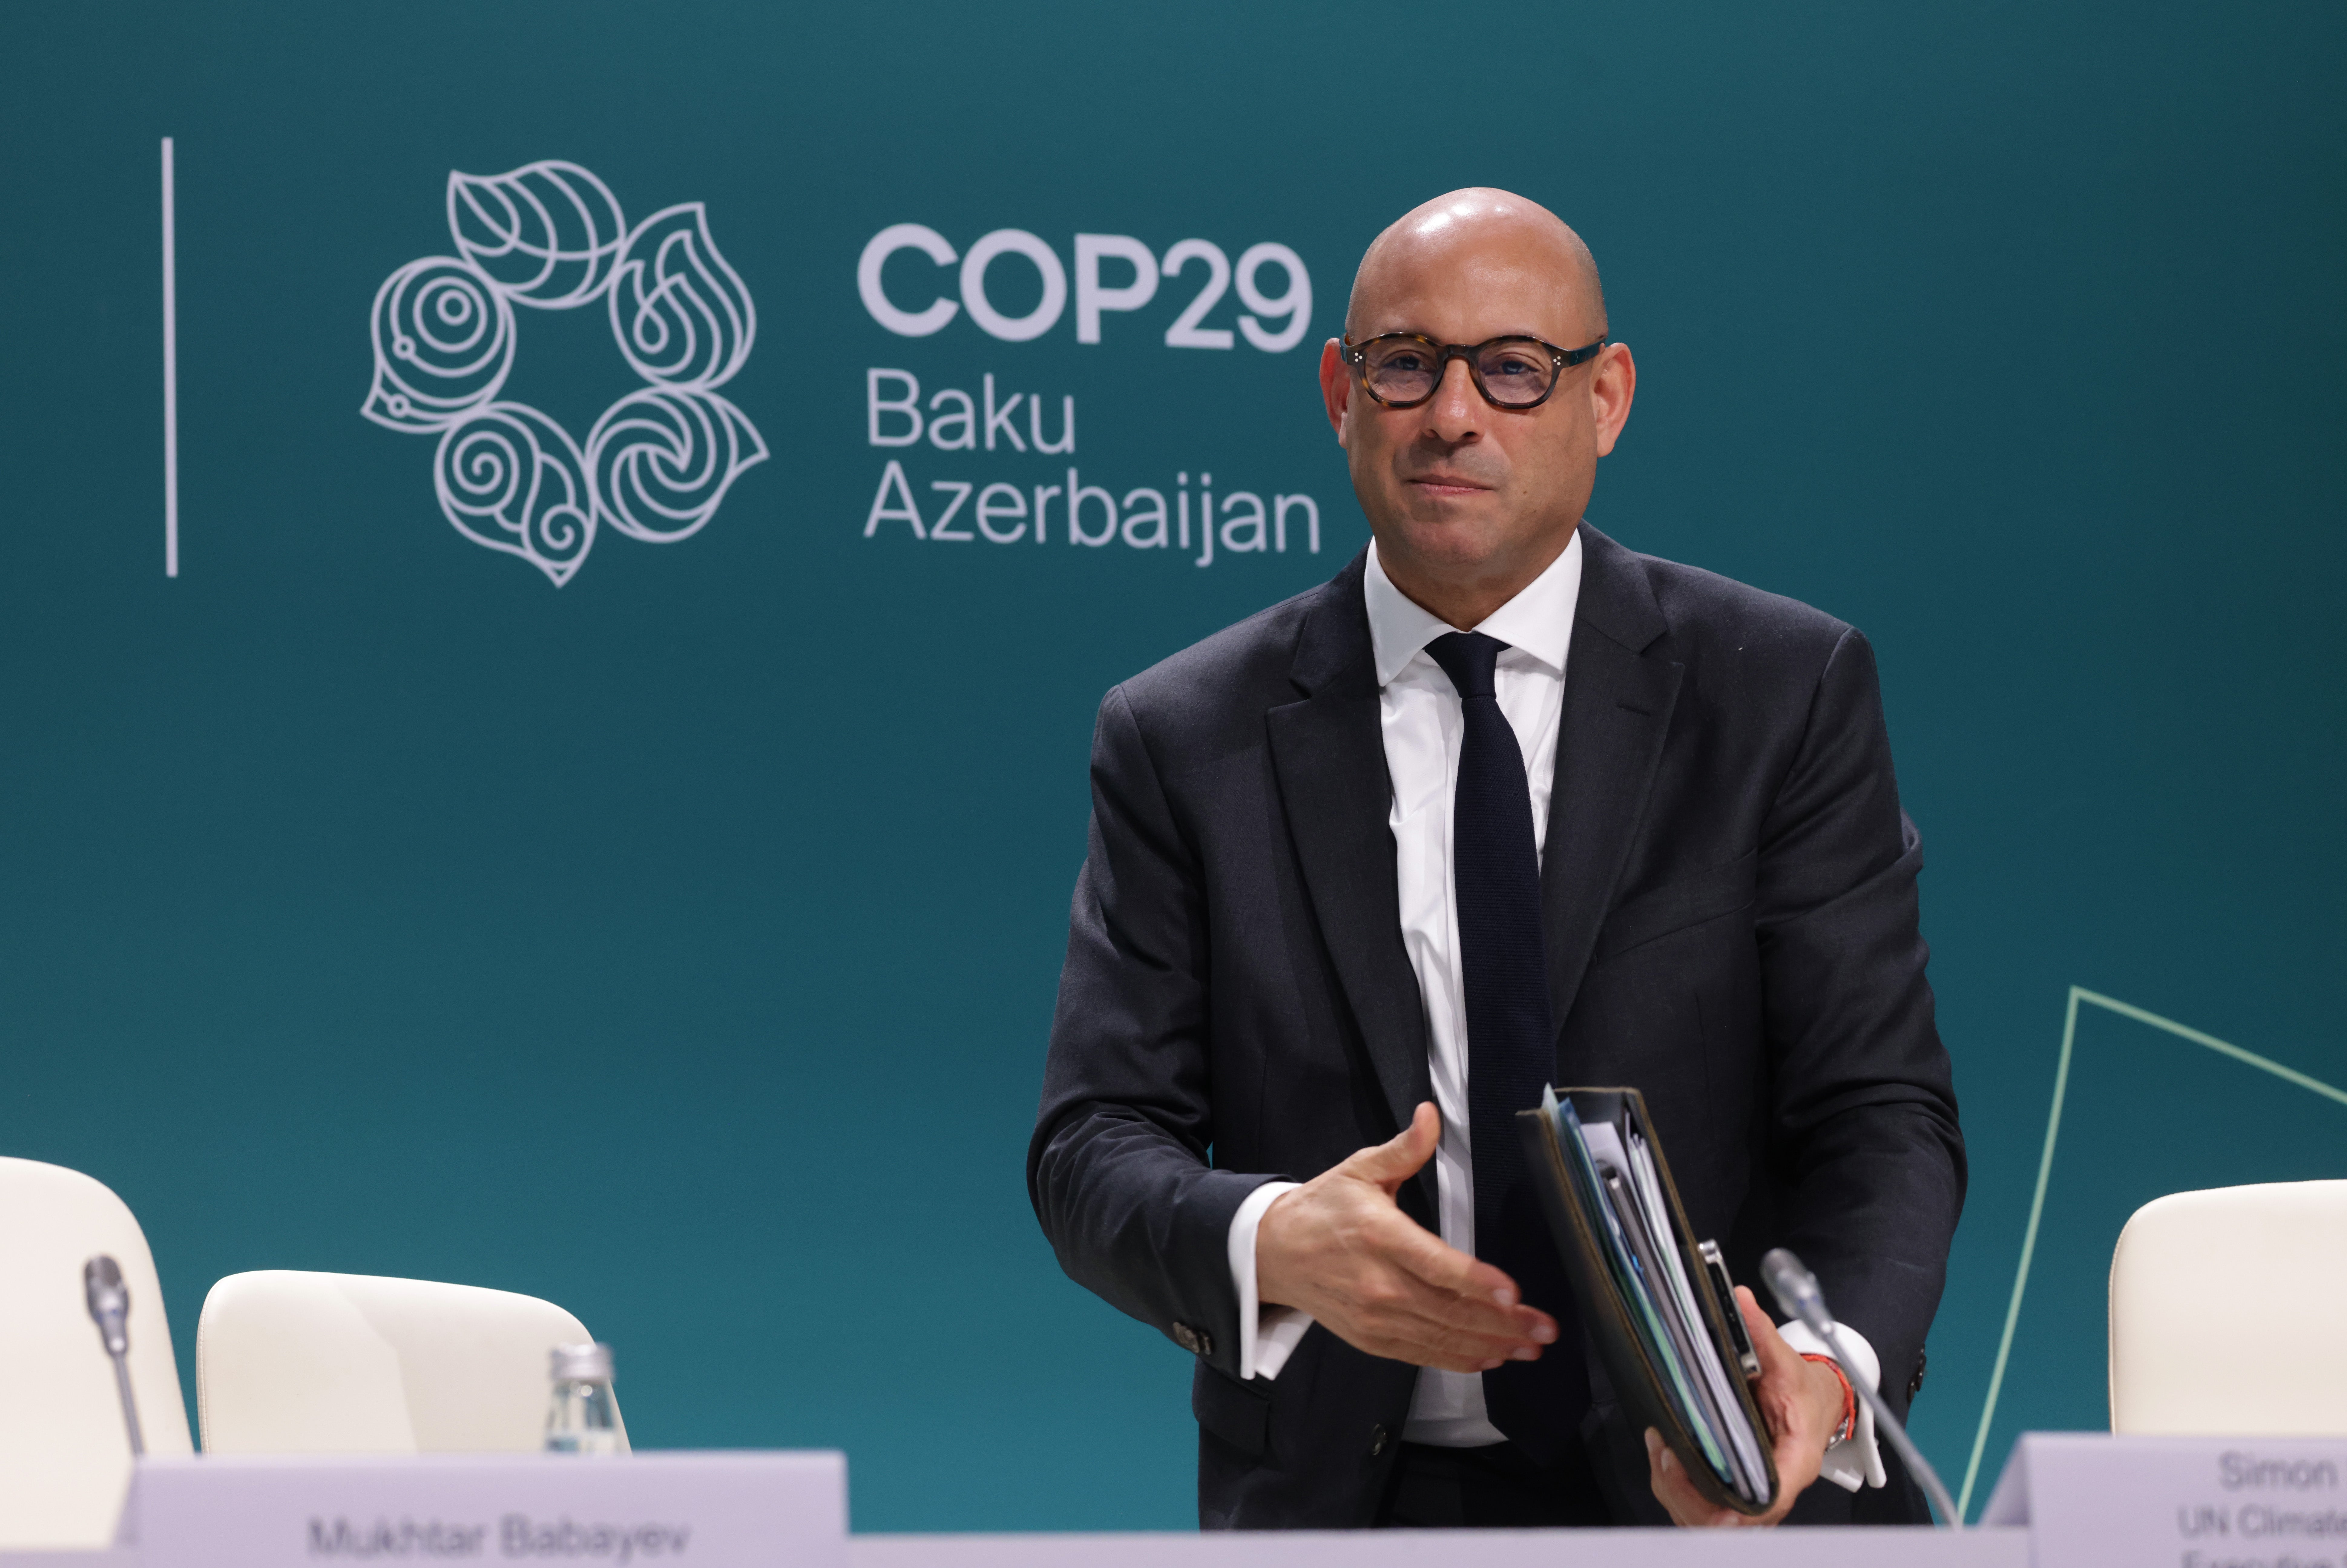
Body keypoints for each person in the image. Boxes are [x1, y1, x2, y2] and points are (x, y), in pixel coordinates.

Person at [1027, 188, 1963, 1530]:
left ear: (1607, 398)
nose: (1452, 415)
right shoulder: (1184, 736)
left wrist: (1820, 1373)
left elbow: (1882, 1115)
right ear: (1341, 396)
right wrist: (1271, 1239)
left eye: (1514, 369)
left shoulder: (1781, 692)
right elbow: (1091, 1146)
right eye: (1405, 365)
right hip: (1354, 1503)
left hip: (1729, 1494)